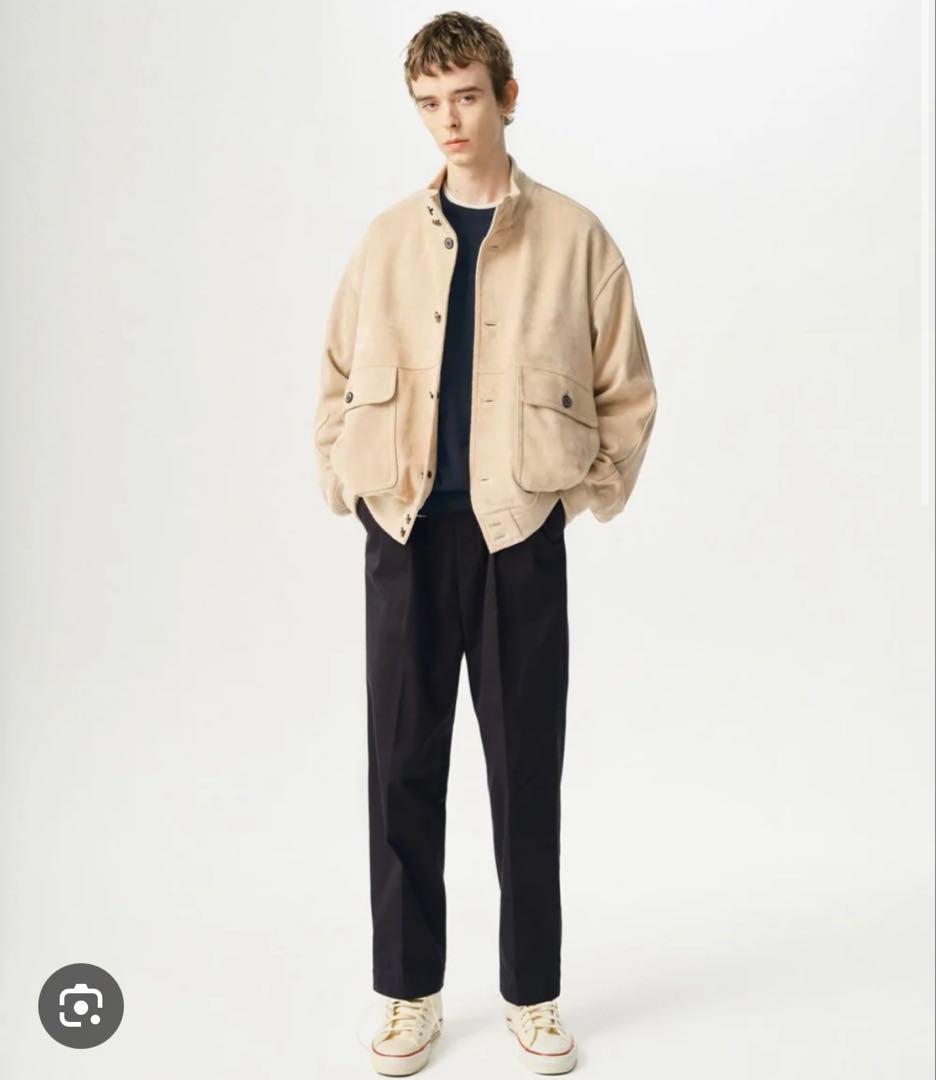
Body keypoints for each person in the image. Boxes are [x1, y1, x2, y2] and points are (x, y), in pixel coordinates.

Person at [313, 11, 658, 1075]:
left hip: (518, 542)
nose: (449, 120)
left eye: (466, 96)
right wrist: (348, 481)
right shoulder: (385, 241)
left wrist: (575, 497)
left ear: (508, 95)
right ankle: (408, 992)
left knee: (525, 775)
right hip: (406, 535)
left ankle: (532, 995)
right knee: (400, 772)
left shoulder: (576, 238)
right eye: (429, 103)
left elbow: (627, 390)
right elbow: (335, 378)